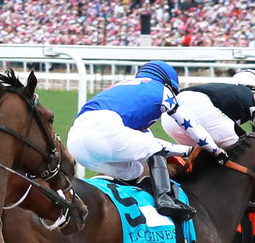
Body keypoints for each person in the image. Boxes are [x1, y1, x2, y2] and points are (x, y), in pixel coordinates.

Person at [66, 61, 224, 221]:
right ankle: (165, 200)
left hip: (76, 142)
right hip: (104, 129)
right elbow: (191, 125)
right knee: (154, 150)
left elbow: (146, 142)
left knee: (136, 170)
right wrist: (214, 150)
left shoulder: (127, 90)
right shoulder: (162, 90)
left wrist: (184, 150)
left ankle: (132, 207)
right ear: (169, 84)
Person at [160, 68, 255, 152]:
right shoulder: (251, 95)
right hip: (196, 108)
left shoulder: (224, 93)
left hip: (169, 116)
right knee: (244, 150)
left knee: (205, 157)